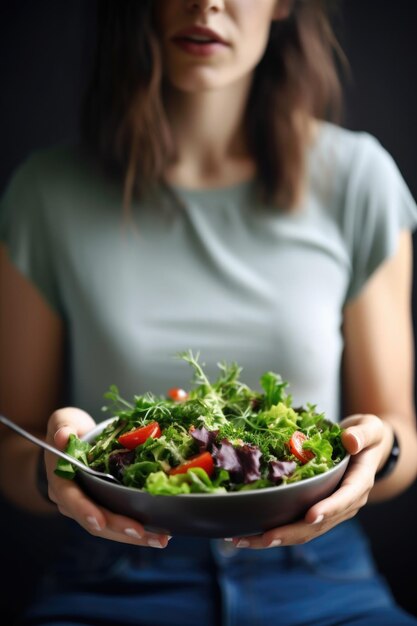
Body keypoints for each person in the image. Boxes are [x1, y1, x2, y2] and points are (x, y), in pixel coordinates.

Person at [1, 0, 417, 625]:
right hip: (112, 574)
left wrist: (374, 453)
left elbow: (398, 431)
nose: (206, 4)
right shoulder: (46, 193)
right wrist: (54, 464)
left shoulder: (359, 180)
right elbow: (12, 445)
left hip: (319, 575)